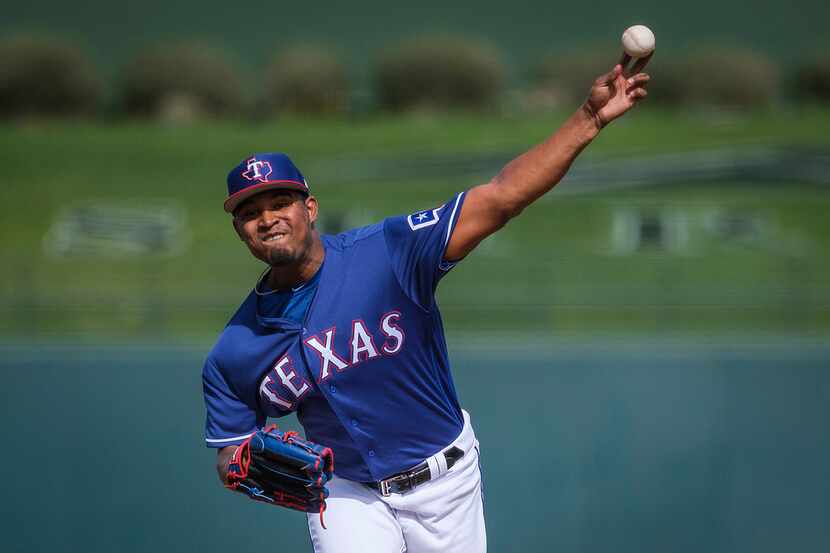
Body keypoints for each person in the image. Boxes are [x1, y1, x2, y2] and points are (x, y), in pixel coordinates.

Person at [202, 59, 651, 553]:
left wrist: (589, 117)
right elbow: (230, 452)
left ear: (309, 208)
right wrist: (245, 466)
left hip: (446, 485)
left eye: (279, 202)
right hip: (349, 496)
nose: (266, 219)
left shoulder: (388, 251)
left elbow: (501, 197)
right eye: (249, 213)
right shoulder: (233, 353)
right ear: (239, 229)